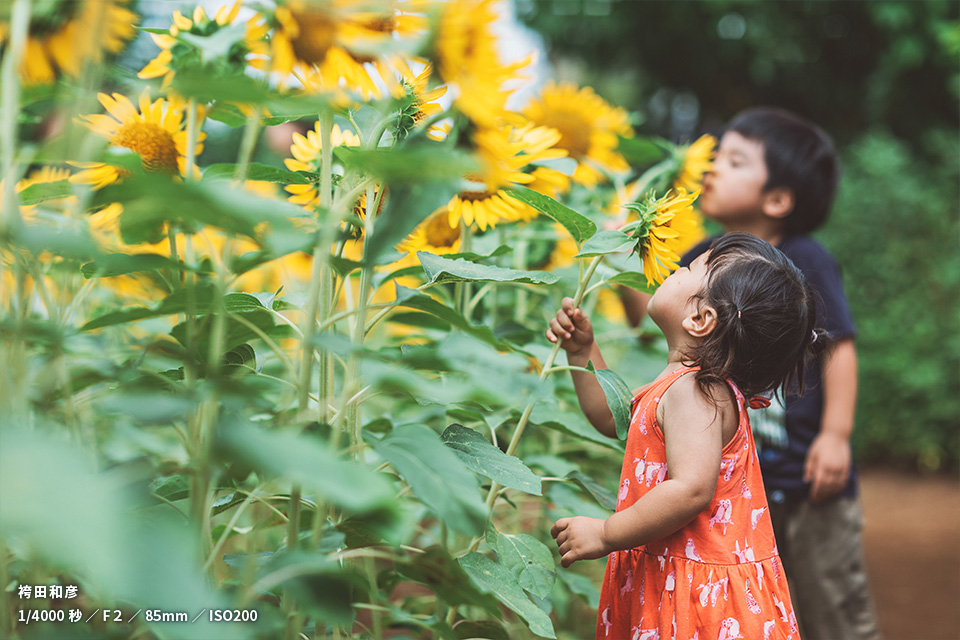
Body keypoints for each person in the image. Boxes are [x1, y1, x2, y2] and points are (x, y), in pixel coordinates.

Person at [618, 107, 881, 640]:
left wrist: (835, 436)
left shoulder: (806, 261)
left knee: (830, 598)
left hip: (804, 476)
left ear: (778, 200)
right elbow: (650, 315)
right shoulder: (702, 256)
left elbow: (840, 349)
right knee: (749, 597)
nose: (711, 168)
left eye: (735, 160)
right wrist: (625, 248)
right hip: (734, 484)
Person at [548, 232, 823, 639]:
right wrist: (582, 352)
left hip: (695, 596)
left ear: (700, 319)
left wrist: (606, 533)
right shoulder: (684, 385)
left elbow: (691, 489)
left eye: (691, 268)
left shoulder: (697, 391)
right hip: (674, 574)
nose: (678, 267)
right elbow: (614, 419)